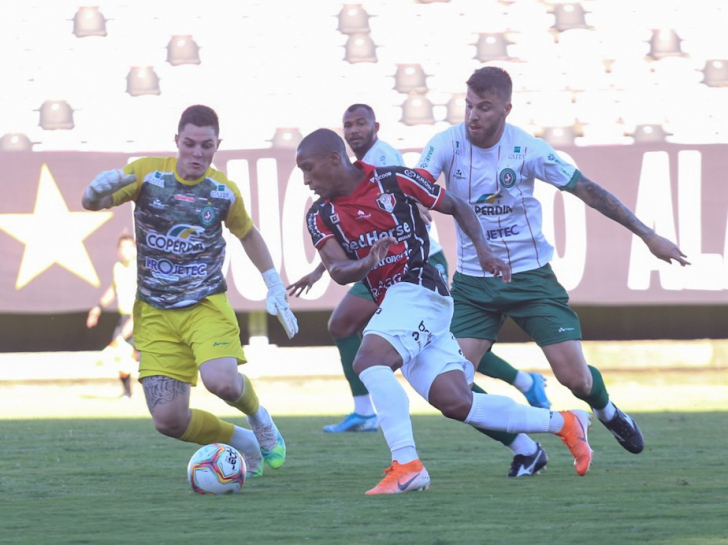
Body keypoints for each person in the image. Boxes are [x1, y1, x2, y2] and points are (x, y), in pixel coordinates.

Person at [297, 128, 593, 495]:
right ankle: (564, 422)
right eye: (301, 172)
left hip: (421, 287)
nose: (306, 180)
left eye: (309, 169)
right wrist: (366, 262)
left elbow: (457, 205)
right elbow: (339, 270)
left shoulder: (393, 180)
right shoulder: (320, 215)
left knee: (368, 362)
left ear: (334, 159)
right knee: (456, 402)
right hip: (396, 303)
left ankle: (407, 464)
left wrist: (484, 252)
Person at [415, 66, 691, 458]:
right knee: (450, 390)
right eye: (469, 105)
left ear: (506, 109)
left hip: (531, 280)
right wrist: (415, 201)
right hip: (474, 286)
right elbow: (417, 181)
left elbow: (587, 190)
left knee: (575, 379)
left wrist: (647, 235)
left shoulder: (527, 149)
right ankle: (525, 446)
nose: (473, 115)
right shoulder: (446, 143)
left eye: (484, 107)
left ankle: (608, 411)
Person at [287, 103, 550, 439]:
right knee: (445, 380)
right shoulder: (329, 198)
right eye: (348, 125)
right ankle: (533, 426)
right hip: (382, 266)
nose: (354, 131)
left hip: (413, 266)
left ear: (374, 127)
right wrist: (322, 268)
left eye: (360, 124)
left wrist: (477, 245)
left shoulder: (382, 161)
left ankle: (386, 435)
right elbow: (349, 232)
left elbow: (402, 206)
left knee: (363, 342)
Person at [81, 104, 299, 478]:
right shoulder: (146, 174)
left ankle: (260, 419)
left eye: (206, 146)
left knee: (222, 382)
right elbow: (94, 203)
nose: (197, 153)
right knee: (168, 421)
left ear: (218, 145)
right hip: (154, 313)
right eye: (190, 144)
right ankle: (243, 440)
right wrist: (91, 194)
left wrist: (274, 283)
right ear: (177, 141)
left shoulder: (221, 191)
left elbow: (247, 233)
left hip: (204, 305)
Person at [86, 232, 138, 399]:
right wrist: (98, 307)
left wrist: (134, 320)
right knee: (121, 356)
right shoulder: (118, 267)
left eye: (129, 247)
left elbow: (146, 297)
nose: (126, 251)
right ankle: (128, 393)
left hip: (142, 317)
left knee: (138, 355)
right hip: (125, 317)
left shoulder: (141, 268)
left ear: (135, 249)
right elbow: (114, 289)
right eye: (122, 247)